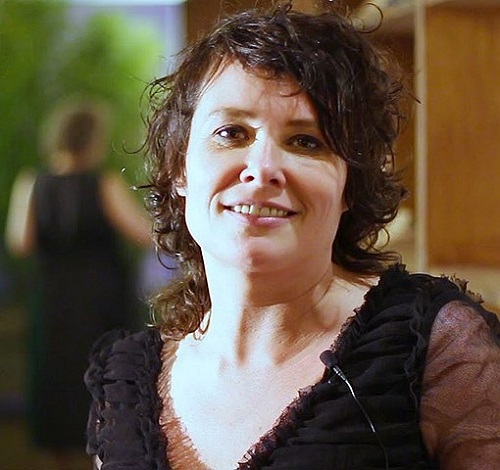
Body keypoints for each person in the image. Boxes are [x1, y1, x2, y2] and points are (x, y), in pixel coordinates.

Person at [84, 3, 500, 469]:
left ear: (351, 185)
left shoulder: (434, 349)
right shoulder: (126, 383)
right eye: (231, 132)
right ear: (179, 167)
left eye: (306, 141)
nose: (262, 168)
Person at [5, 98, 152, 469]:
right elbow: (142, 233)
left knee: (55, 377)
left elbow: (20, 243)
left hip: (53, 298)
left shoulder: (31, 182)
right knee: (103, 377)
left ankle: (60, 460)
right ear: (91, 139)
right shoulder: (103, 183)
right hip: (99, 300)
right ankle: (102, 457)